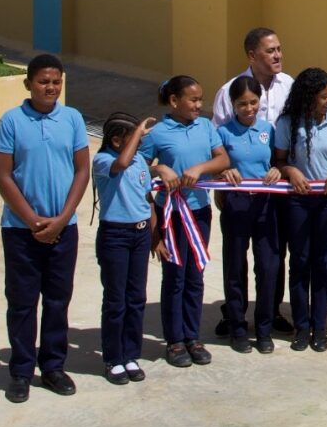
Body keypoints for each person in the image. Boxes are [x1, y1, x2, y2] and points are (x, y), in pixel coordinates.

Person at [0, 54, 90, 403]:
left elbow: (82, 170)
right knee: (21, 302)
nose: (50, 88)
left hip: (65, 228)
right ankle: (21, 370)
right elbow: (2, 175)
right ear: (28, 84)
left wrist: (63, 218)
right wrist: (33, 221)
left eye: (56, 82)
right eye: (43, 82)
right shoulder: (11, 122)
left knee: (57, 300)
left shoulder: (74, 118)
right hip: (21, 231)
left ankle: (52, 366)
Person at [139, 75, 230, 368]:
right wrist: (159, 169)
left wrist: (200, 167)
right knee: (175, 277)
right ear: (175, 101)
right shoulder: (157, 132)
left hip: (199, 212)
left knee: (195, 274)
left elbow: (222, 159)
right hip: (171, 214)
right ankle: (175, 340)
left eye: (200, 99)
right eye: (193, 100)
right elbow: (138, 165)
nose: (198, 105)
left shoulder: (205, 126)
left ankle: (193, 336)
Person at [212, 27, 296, 335]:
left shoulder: (290, 85)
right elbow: (218, 142)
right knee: (236, 257)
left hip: (275, 187)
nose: (278, 55)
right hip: (238, 191)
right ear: (252, 55)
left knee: (274, 255)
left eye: (279, 49)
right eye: (270, 51)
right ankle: (234, 316)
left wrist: (281, 169)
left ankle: (270, 312)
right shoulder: (228, 91)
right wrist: (222, 177)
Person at [274, 68, 327, 353]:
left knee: (323, 263)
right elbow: (279, 159)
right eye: (324, 96)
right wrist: (291, 171)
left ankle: (319, 326)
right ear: (308, 97)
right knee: (300, 261)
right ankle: (301, 326)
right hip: (298, 201)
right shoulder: (287, 123)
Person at [217, 76, 283, 354]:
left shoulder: (269, 129)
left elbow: (278, 160)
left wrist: (277, 169)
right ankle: (237, 326)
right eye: (242, 103)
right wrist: (223, 171)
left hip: (266, 205)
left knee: (268, 267)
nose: (248, 108)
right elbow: (215, 163)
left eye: (253, 102)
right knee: (235, 267)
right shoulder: (222, 133)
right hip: (236, 204)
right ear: (232, 104)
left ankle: (264, 328)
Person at [91, 112, 156, 385]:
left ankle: (131, 353)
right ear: (116, 140)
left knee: (135, 297)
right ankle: (113, 358)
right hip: (116, 235)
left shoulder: (138, 159)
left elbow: (147, 196)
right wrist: (139, 131)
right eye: (133, 140)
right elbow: (122, 163)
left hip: (140, 233)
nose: (138, 145)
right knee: (116, 300)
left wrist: (154, 233)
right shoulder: (104, 160)